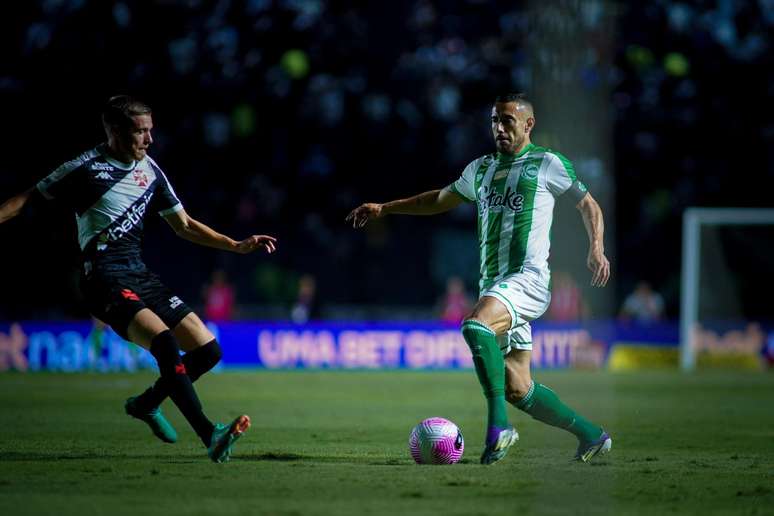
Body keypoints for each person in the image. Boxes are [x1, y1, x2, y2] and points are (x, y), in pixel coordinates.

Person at [0, 95, 278, 463]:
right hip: (103, 278)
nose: (149, 139)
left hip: (139, 273)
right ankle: (210, 434)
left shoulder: (150, 169)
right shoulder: (85, 167)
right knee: (164, 343)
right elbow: (27, 198)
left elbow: (184, 225)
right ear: (114, 131)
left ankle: (147, 403)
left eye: (151, 131)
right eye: (140, 132)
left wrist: (236, 245)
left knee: (208, 351)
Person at [347, 93, 612, 465]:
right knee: (519, 388)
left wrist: (596, 248)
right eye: (494, 121)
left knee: (475, 326)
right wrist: (385, 208)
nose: (499, 128)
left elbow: (588, 204)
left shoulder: (547, 164)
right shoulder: (481, 169)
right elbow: (437, 199)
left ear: (528, 124)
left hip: (528, 279)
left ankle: (498, 428)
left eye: (507, 121)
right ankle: (592, 435)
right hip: (496, 286)